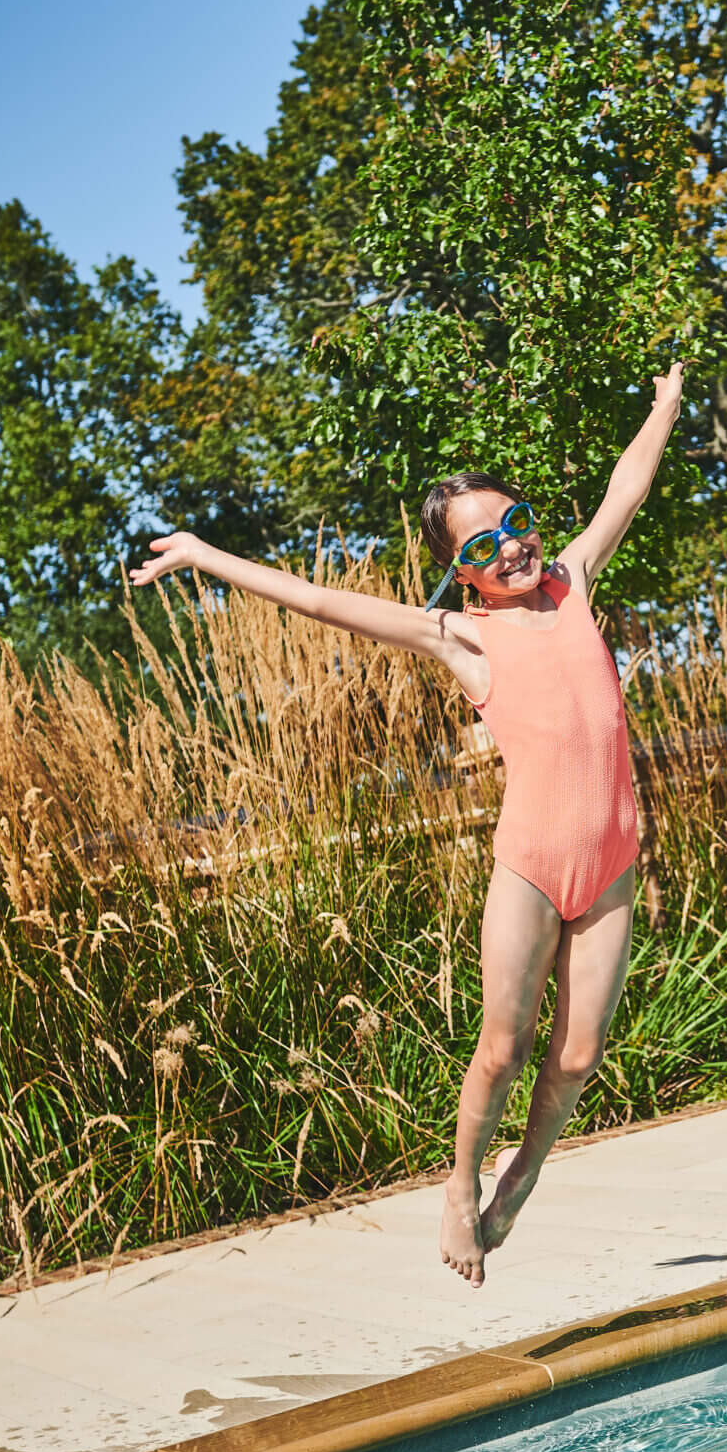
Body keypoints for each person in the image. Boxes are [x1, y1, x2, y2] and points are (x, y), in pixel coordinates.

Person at [131, 364, 684, 1288]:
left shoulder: (573, 582)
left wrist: (662, 408)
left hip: (613, 864)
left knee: (579, 1054)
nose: (509, 548)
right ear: (459, 571)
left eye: (516, 525)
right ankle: (460, 1185)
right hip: (533, 867)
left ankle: (524, 1175)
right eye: (482, 546)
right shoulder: (462, 638)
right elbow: (317, 601)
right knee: (504, 1050)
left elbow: (627, 485)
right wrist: (202, 553)